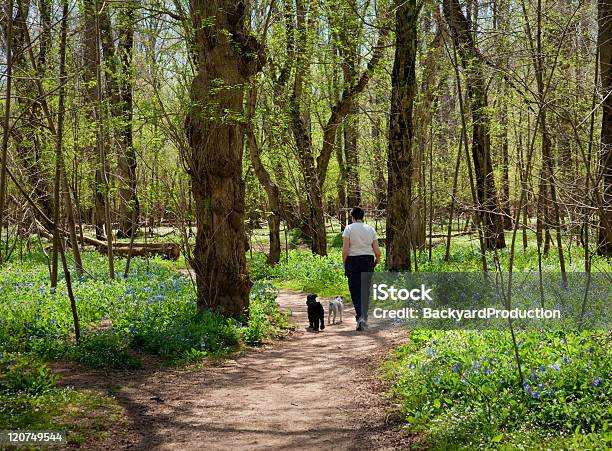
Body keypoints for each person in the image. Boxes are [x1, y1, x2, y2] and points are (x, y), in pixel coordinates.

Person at [342, 207, 381, 331]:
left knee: (355, 290)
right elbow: (377, 251)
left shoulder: (348, 229)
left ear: (352, 217)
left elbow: (345, 250)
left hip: (353, 261)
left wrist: (344, 262)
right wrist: (377, 260)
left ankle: (360, 317)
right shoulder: (370, 229)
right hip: (367, 260)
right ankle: (364, 317)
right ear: (363, 217)